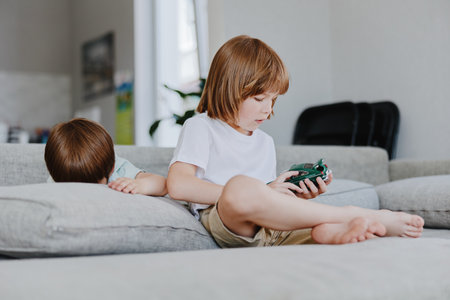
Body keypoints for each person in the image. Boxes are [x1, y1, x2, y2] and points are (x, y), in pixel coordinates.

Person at [167, 35, 424, 247]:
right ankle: (353, 213)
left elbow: (269, 203)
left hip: (272, 227)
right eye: (259, 100)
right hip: (230, 222)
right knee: (239, 188)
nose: (267, 110)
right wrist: (260, 192)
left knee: (304, 223)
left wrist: (290, 194)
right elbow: (178, 185)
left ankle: (328, 233)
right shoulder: (201, 126)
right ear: (228, 89)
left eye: (273, 100)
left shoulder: (265, 142)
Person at [45, 118, 167, 196]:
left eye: (94, 187)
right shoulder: (61, 173)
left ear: (112, 167)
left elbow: (163, 185)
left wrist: (140, 185)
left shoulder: (120, 170)